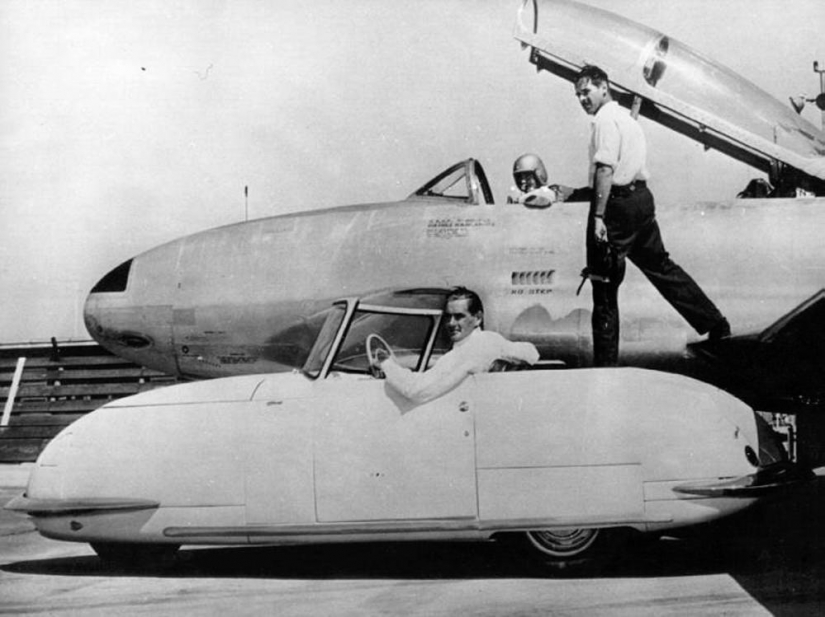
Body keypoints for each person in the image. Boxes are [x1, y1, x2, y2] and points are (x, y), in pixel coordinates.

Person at [573, 64, 730, 367]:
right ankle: (715, 323)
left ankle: (604, 369)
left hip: (616, 209)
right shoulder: (626, 119)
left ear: (604, 87)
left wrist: (598, 217)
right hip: (641, 201)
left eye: (586, 91)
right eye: (578, 94)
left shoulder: (604, 120)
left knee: (603, 287)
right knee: (661, 266)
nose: (582, 99)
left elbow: (605, 169)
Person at [374, 287, 539, 405]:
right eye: (448, 317)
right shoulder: (491, 339)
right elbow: (532, 354)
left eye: (459, 316)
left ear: (478, 318)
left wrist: (386, 364)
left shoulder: (467, 352)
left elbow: (416, 390)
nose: (451, 323)